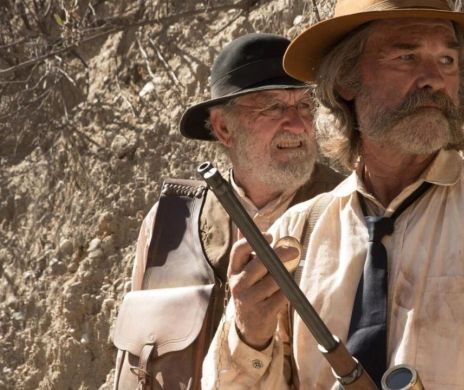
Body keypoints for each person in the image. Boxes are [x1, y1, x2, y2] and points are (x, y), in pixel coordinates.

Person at [203, 2, 464, 389]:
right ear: (347, 81)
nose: (433, 79)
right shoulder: (297, 234)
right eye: (406, 56)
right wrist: (249, 334)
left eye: (447, 60)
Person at [113, 33, 342, 388]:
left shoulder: (349, 206)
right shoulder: (170, 222)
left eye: (305, 106)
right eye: (273, 107)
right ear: (223, 127)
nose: (298, 125)